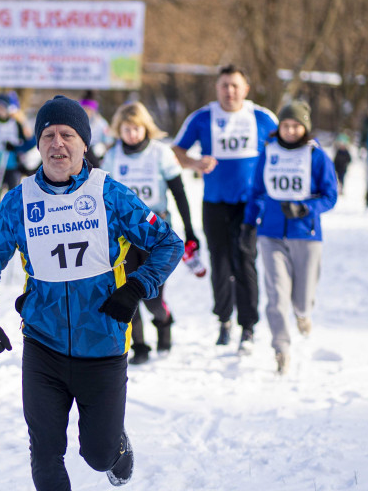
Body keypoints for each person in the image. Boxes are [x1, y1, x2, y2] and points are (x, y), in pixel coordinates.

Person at [0, 95, 182, 491]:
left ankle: (116, 443)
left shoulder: (109, 194)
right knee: (45, 447)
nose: (57, 144)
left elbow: (169, 243)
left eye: (67, 135)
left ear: (84, 145)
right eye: (48, 136)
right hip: (42, 345)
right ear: (38, 145)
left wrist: (136, 289)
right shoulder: (20, 202)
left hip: (102, 343)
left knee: (98, 455)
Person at [172, 64, 277, 354]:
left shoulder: (262, 117)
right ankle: (224, 321)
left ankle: (248, 326)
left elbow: (285, 146)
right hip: (215, 203)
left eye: (235, 86)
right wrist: (195, 163)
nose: (229, 91)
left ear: (246, 89)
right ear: (217, 89)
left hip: (249, 204)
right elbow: (176, 152)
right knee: (219, 262)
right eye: (224, 86)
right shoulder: (203, 117)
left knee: (244, 260)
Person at [100, 101, 201, 364]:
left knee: (152, 297)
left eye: (136, 128)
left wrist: (190, 231)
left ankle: (163, 321)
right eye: (126, 129)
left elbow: (179, 193)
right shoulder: (112, 156)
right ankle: (140, 345)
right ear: (118, 130)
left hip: (157, 233)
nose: (131, 134)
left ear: (145, 128)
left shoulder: (161, 153)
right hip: (124, 234)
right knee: (126, 289)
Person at [243, 101, 338, 374]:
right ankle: (281, 348)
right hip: (270, 233)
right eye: (286, 125)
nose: (291, 130)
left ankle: (303, 314)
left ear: (305, 127)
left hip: (306, 233)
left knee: (302, 297)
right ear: (279, 127)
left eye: (297, 125)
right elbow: (257, 191)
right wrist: (249, 224)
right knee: (276, 297)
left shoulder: (316, 155)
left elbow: (331, 195)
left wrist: (307, 208)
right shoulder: (268, 152)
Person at [0, 91, 32, 205]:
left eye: (2, 106)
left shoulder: (16, 123)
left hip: (12, 163)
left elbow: (26, 143)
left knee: (13, 192)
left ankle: (13, 214)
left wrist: (14, 147)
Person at [80, 92, 112, 164]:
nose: (87, 111)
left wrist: (101, 148)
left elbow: (109, 142)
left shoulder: (102, 124)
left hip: (96, 157)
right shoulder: (77, 122)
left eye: (89, 109)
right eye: (84, 108)